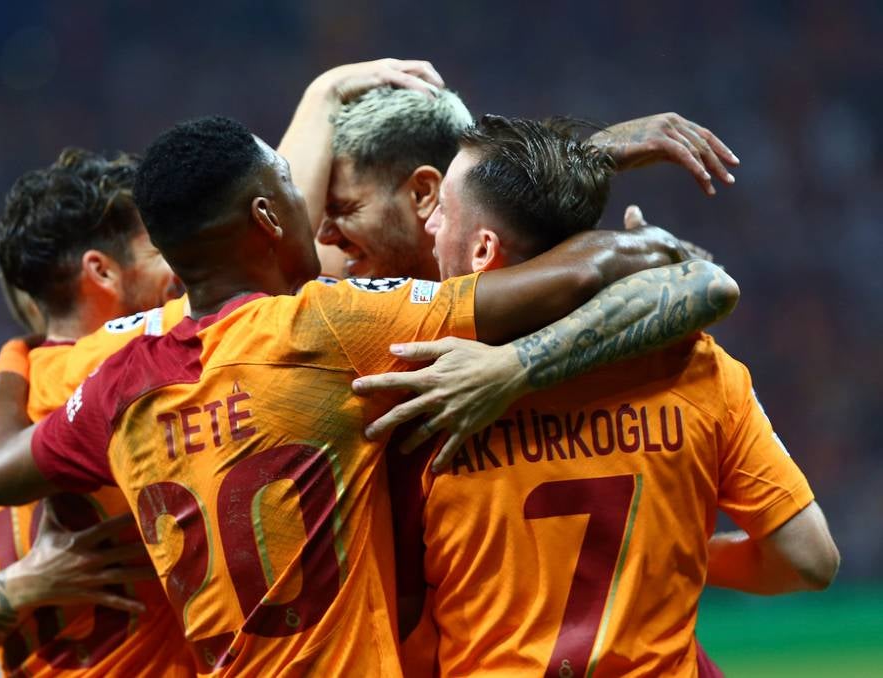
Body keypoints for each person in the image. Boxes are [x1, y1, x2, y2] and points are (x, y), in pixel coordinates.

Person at [0, 115, 738, 676]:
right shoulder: (326, 326)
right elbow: (601, 265)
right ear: (268, 216)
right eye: (295, 191)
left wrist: (14, 355)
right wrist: (600, 190)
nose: (319, 221)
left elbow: (2, 468)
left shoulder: (119, 383)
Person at [352, 116, 840, 676]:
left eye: (443, 208)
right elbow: (809, 559)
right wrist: (685, 554)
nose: (430, 223)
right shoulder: (697, 366)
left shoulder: (419, 390)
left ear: (484, 250)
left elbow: (401, 618)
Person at [0, 148, 195, 676]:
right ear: (102, 271)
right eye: (156, 249)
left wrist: (20, 585)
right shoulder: (143, 376)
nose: (177, 268)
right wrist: (35, 578)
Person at [277, 59, 739, 281]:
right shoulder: (349, 279)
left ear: (423, 193)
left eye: (344, 208)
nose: (322, 234)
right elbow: (272, 259)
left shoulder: (520, 283)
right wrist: (323, 92)